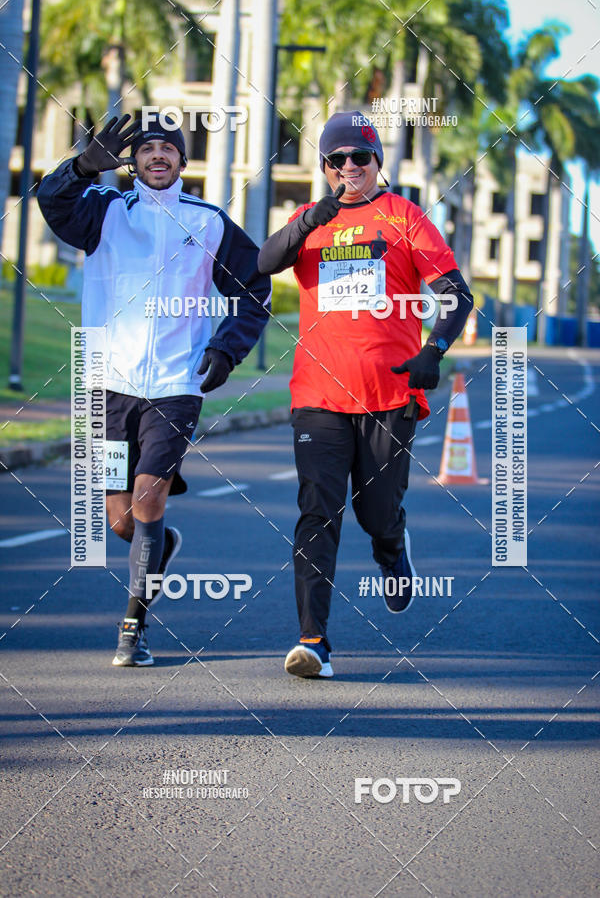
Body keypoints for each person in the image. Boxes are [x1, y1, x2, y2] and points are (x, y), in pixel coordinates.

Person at [38, 115, 271, 666]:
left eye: (169, 147)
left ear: (183, 161)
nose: (158, 155)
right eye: (147, 148)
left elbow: (254, 287)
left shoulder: (208, 222)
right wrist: (80, 168)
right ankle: (160, 544)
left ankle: (133, 629)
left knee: (148, 497)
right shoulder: (103, 212)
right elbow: (50, 203)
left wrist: (226, 349)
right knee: (121, 518)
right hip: (107, 384)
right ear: (133, 160)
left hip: (175, 384)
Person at [258, 111, 473, 679]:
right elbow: (263, 262)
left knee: (375, 512)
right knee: (317, 511)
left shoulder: (404, 216)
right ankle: (313, 641)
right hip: (318, 395)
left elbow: (457, 294)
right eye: (337, 159)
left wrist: (434, 350)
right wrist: (309, 222)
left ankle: (392, 549)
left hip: (388, 393)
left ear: (377, 161)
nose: (349, 167)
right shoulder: (309, 219)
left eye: (360, 156)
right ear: (325, 166)